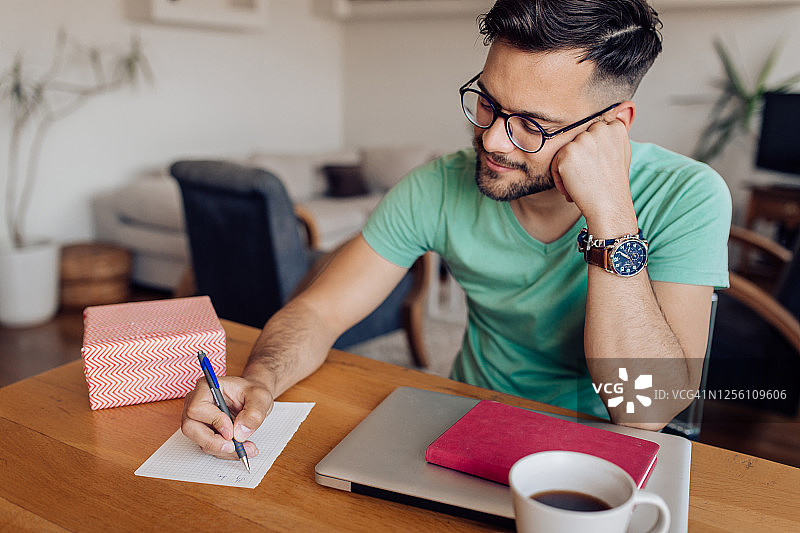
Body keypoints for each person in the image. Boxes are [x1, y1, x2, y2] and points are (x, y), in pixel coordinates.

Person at [181, 0, 731, 461]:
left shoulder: (690, 196)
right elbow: (319, 311)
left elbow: (647, 412)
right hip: (471, 421)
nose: (493, 141)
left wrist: (611, 217)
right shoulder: (436, 186)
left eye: (532, 127)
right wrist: (261, 379)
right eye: (488, 104)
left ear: (613, 127)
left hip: (606, 448)